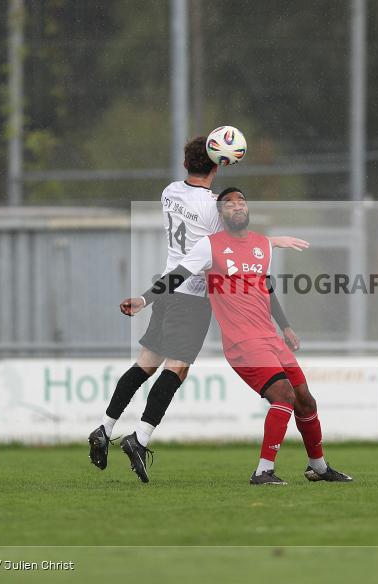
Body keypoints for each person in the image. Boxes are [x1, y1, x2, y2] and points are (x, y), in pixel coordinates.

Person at [88, 137, 307, 476]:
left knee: (145, 364)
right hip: (190, 295)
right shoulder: (211, 207)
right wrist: (272, 241)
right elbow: (240, 237)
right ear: (219, 165)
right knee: (177, 368)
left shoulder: (169, 192)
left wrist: (147, 298)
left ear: (185, 163)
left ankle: (104, 427)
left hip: (165, 288)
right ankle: (140, 439)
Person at [121, 187, 353, 486]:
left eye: (241, 200)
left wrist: (285, 326)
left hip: (270, 338)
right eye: (228, 203)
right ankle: (263, 471)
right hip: (242, 342)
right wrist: (144, 299)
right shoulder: (210, 245)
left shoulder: (261, 245)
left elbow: (265, 287)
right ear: (220, 214)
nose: (237, 205)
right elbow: (176, 275)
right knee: (283, 395)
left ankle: (318, 467)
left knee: (306, 400)